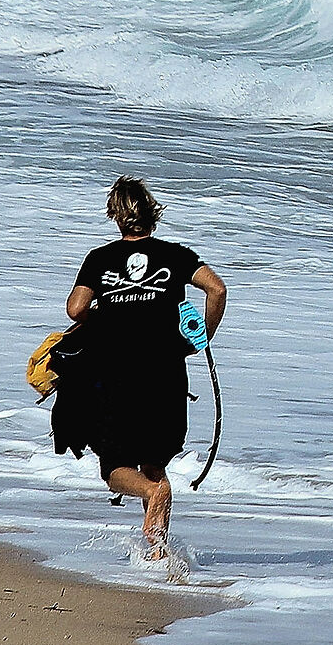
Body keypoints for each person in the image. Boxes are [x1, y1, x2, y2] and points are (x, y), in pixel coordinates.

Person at [64, 176, 225, 557]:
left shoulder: (100, 259)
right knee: (154, 460)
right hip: (166, 375)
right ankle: (157, 552)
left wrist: (106, 310)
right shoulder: (176, 255)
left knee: (115, 469)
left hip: (114, 377)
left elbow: (75, 308)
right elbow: (217, 289)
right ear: (152, 213)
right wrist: (201, 336)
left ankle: (153, 495)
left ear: (116, 217)